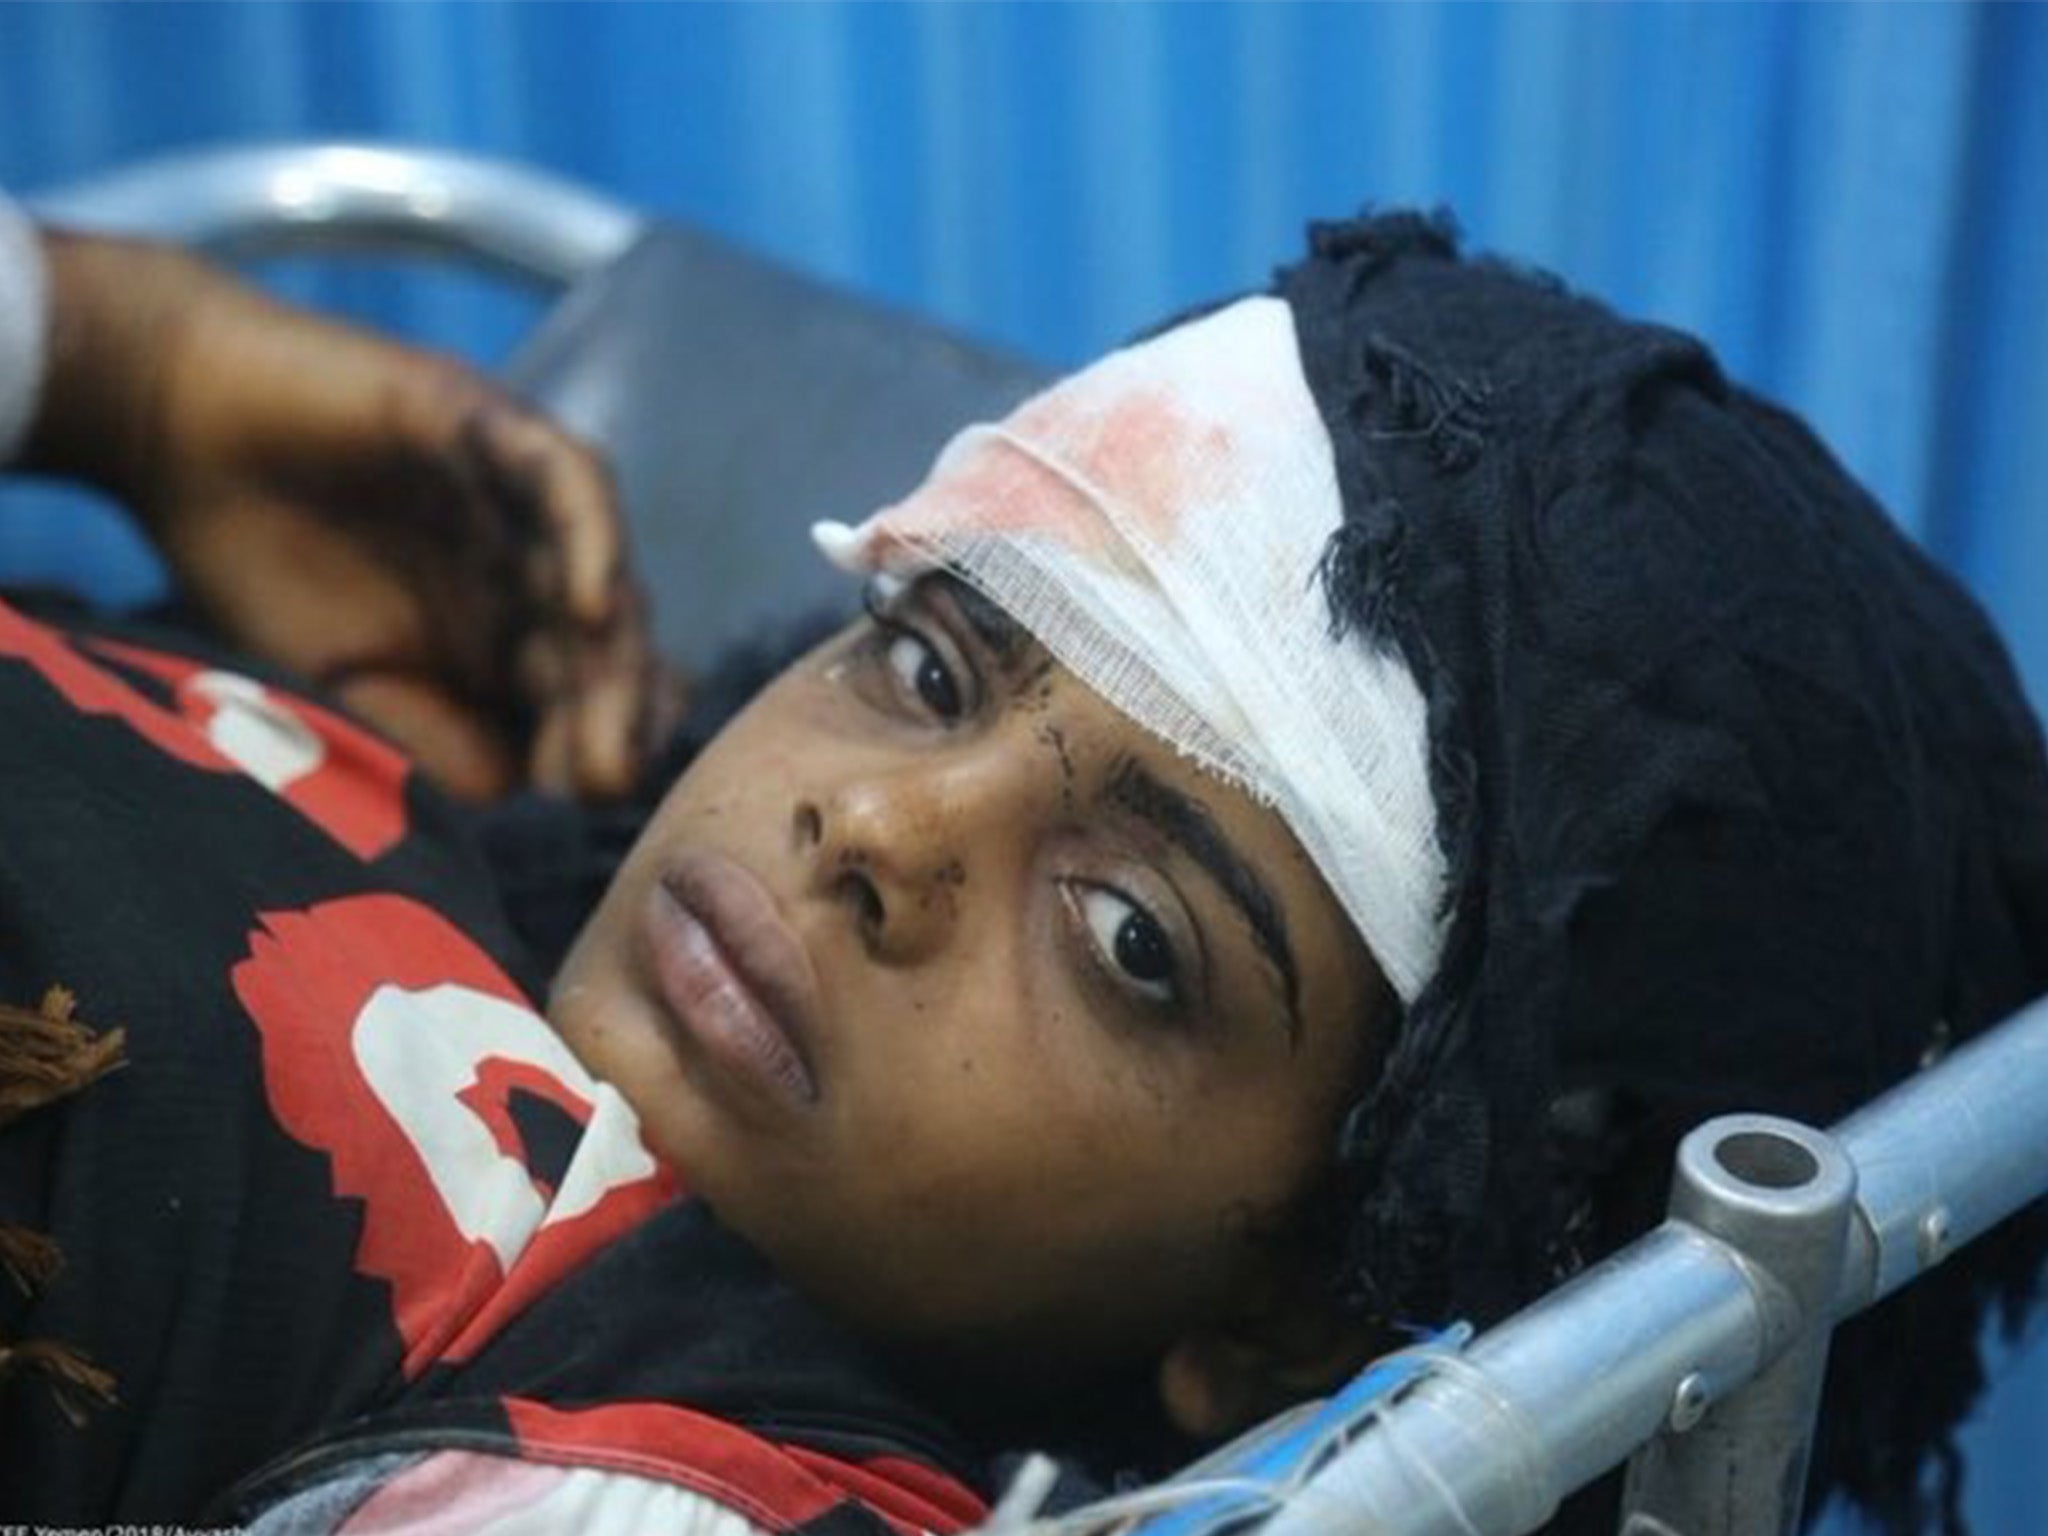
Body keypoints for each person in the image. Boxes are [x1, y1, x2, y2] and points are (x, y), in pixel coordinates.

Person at [2, 192, 2042, 1536]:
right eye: (922, 658)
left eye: (1131, 939)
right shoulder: (460, 797)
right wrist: (120, 369)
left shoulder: (665, 1481)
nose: (881, 828)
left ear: (1299, 1321)